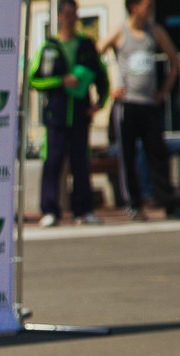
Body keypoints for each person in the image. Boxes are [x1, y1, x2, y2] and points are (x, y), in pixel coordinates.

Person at [29, 0, 110, 227]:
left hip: (80, 115)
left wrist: (99, 103)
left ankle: (83, 211)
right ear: (59, 17)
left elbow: (101, 76)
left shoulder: (86, 45)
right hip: (56, 116)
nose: (72, 19)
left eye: (75, 15)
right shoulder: (49, 47)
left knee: (80, 162)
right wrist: (60, 81)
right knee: (53, 161)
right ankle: (50, 210)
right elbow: (34, 79)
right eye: (68, 15)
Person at [99, 0, 180, 220]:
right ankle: (133, 203)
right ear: (134, 7)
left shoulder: (155, 31)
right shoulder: (120, 32)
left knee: (157, 152)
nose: (150, 9)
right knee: (128, 153)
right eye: (147, 5)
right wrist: (110, 87)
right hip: (127, 103)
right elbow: (96, 53)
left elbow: (174, 61)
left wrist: (164, 91)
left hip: (149, 103)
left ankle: (167, 201)